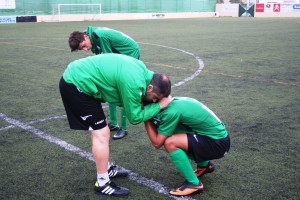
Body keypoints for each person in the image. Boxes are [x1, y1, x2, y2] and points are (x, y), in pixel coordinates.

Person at [59, 53, 172, 196]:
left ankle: (105, 169)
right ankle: (102, 183)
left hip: (83, 78)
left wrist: (151, 103)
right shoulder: (134, 82)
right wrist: (160, 106)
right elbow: (135, 117)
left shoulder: (142, 71)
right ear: (150, 87)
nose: (154, 101)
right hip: (75, 83)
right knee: (101, 132)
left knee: (102, 127)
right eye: (155, 98)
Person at [144, 97, 230, 196]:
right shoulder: (177, 101)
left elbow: (157, 143)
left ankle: (194, 184)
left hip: (217, 144)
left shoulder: (171, 111)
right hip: (217, 139)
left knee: (170, 143)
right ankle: (205, 166)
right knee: (176, 132)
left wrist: (146, 117)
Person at [68, 26, 140, 139]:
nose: (86, 50)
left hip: (130, 52)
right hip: (118, 53)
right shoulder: (91, 38)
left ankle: (124, 128)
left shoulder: (98, 35)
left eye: (84, 46)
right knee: (108, 87)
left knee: (122, 89)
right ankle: (114, 123)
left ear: (85, 37)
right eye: (82, 49)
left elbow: (108, 59)